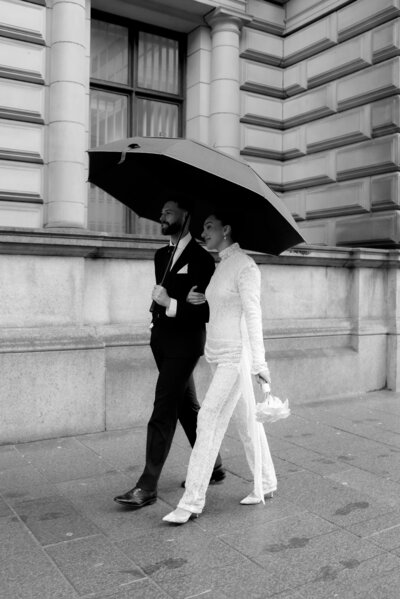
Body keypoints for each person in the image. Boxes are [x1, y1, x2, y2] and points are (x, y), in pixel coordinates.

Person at [163, 210, 277, 524]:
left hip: (233, 359)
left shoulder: (246, 266)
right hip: (216, 356)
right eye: (203, 227)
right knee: (245, 422)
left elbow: (253, 315)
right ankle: (266, 480)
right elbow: (224, 306)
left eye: (209, 226)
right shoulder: (222, 264)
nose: (204, 231)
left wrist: (259, 363)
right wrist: (200, 301)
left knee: (208, 419)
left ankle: (191, 501)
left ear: (226, 229)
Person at [114, 197, 225, 509]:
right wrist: (160, 313)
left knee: (164, 405)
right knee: (186, 405)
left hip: (186, 343)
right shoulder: (160, 254)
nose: (161, 216)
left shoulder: (202, 260)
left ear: (185, 215)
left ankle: (147, 484)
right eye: (161, 211)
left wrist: (170, 304)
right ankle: (213, 464)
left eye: (168, 212)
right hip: (161, 340)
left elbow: (205, 312)